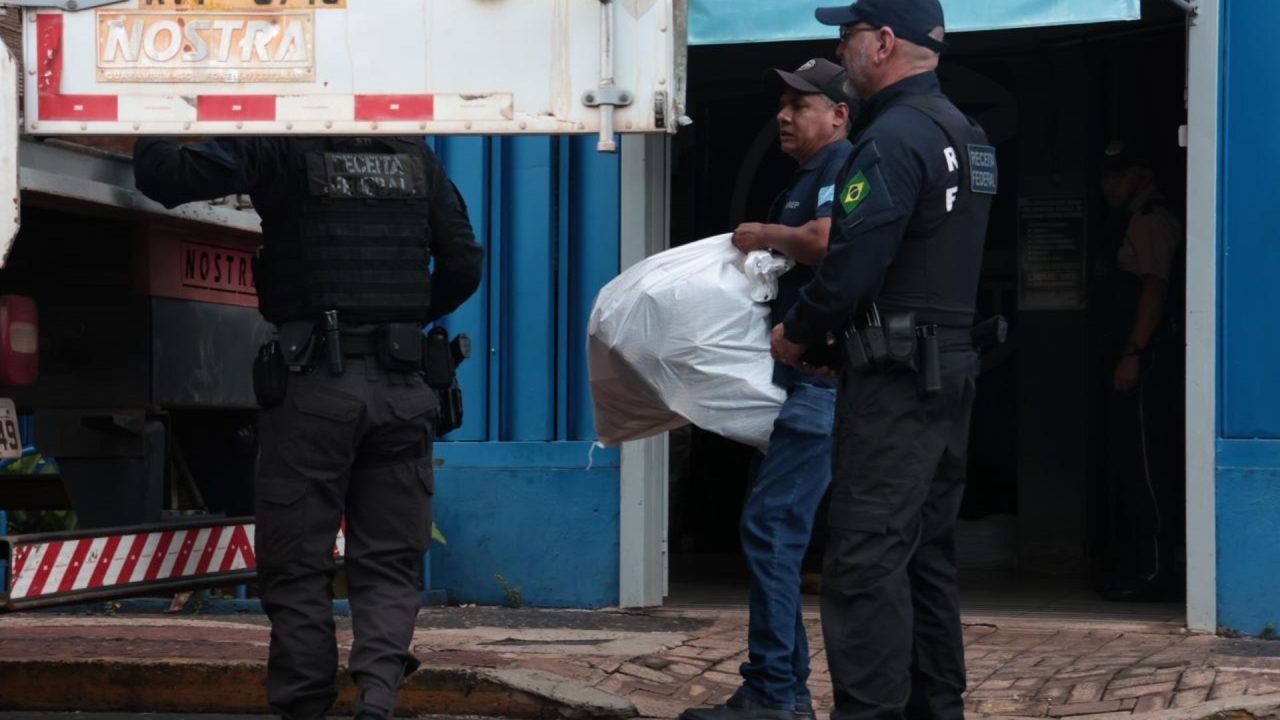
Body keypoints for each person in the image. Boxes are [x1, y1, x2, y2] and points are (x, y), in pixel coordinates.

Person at [134, 135, 484, 720]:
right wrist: (398, 319)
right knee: (391, 563)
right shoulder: (415, 156)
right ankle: (376, 699)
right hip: (402, 388)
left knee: (297, 563)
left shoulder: (281, 141)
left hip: (314, 385)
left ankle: (305, 707)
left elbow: (166, 177)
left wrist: (152, 114)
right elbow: (464, 261)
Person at [770, 0, 996, 718]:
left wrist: (799, 332)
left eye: (847, 38)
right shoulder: (968, 133)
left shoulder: (893, 136)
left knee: (865, 560)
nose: (842, 54)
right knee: (925, 556)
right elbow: (927, 261)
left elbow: (852, 264)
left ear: (884, 42)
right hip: (945, 368)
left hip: (897, 382)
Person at [681, 58, 854, 720]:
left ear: (838, 114)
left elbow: (827, 243)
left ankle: (777, 693)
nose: (783, 116)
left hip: (821, 385)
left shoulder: (840, 170)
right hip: (798, 385)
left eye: (800, 104)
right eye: (782, 104)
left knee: (773, 529)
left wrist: (760, 235)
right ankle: (779, 688)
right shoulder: (809, 178)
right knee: (773, 528)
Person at [1090, 139, 1184, 601]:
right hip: (1125, 357)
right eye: (1107, 175)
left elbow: (1154, 289)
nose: (1111, 184)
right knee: (1127, 463)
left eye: (1119, 175)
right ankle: (1136, 563)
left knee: (1148, 464)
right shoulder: (1125, 220)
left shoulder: (1151, 221)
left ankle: (1156, 570)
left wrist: (1133, 351)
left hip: (1145, 361)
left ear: (1143, 174)